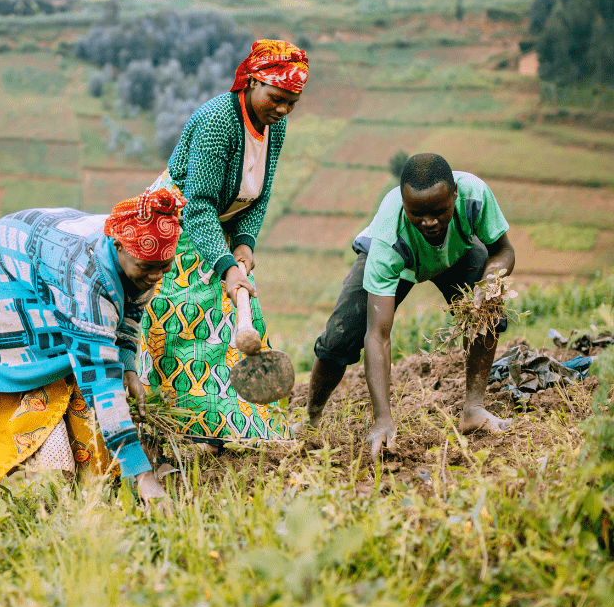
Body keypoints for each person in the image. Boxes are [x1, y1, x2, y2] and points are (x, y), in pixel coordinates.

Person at [0, 188, 186, 509]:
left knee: (91, 359)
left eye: (164, 267)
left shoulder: (144, 256)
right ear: (118, 247)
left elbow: (131, 310)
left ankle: (83, 464)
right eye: (146, 268)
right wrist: (142, 475)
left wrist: (128, 364)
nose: (155, 276)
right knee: (59, 371)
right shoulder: (86, 277)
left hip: (46, 257)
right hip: (3, 268)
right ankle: (50, 465)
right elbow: (99, 375)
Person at [137, 39, 309, 445]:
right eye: (276, 98)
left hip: (221, 224)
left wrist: (245, 243)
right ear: (250, 82)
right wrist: (227, 268)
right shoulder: (218, 122)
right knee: (179, 319)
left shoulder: (274, 125)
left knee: (236, 322)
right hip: (174, 226)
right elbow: (198, 206)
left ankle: (243, 420)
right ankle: (171, 423)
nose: (282, 109)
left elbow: (260, 192)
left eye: (291, 103)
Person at [306, 153, 516, 458]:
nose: (429, 222)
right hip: (401, 259)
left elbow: (503, 251)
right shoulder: (388, 237)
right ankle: (311, 419)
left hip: (455, 254)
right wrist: (383, 419)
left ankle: (474, 409)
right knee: (339, 338)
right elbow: (378, 334)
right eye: (417, 213)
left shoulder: (475, 195)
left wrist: (490, 280)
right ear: (404, 204)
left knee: (486, 313)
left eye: (440, 211)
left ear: (455, 195)